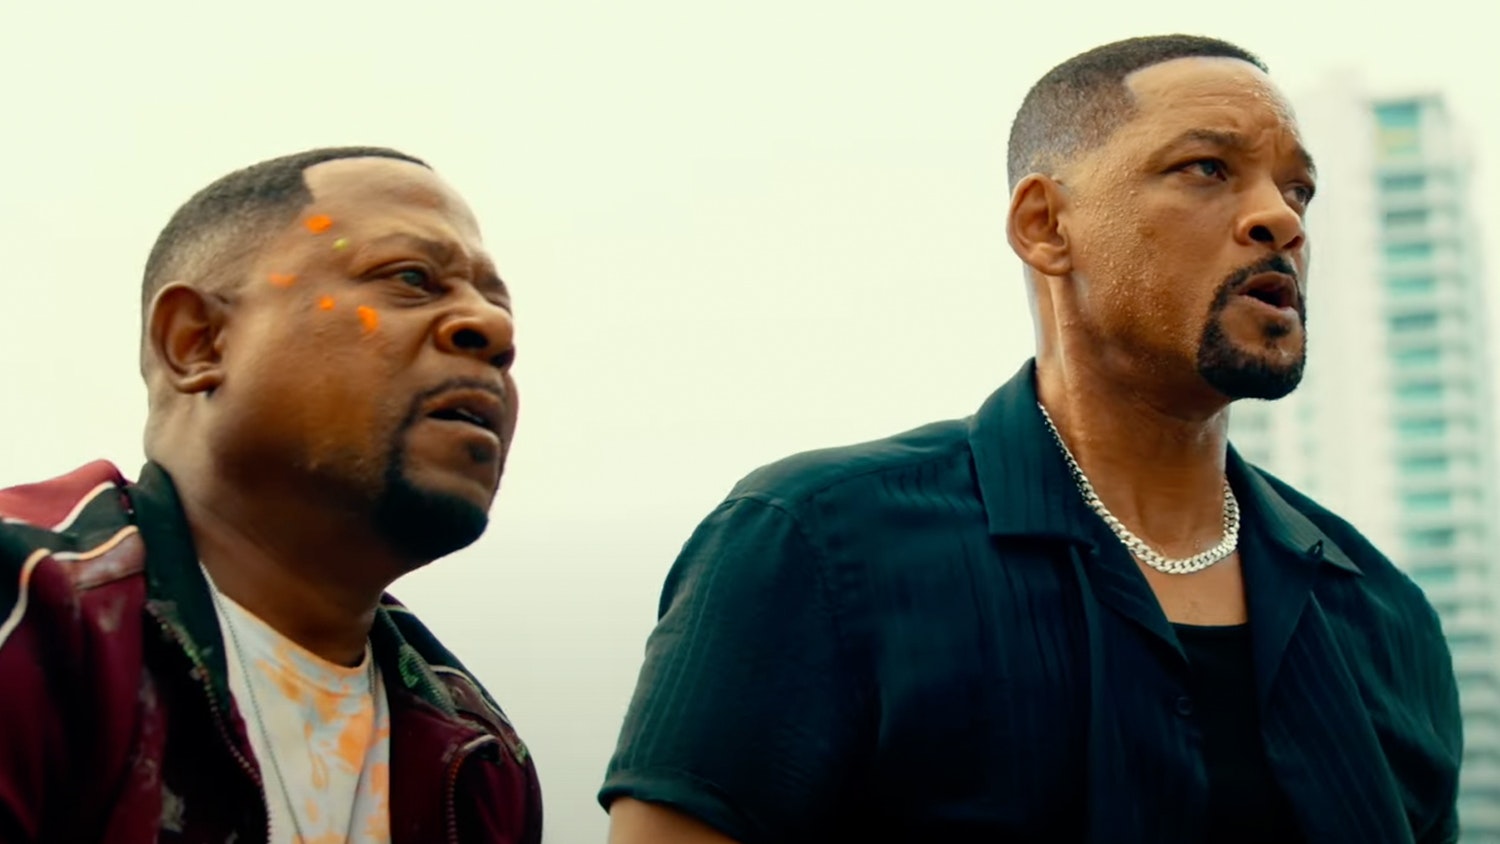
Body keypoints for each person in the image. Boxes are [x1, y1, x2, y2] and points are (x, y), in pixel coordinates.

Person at [600, 35, 1462, 844]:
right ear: (1046, 225)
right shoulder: (814, 542)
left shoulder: (1386, 619)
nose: (1281, 218)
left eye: (1298, 189)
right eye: (1207, 168)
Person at [0, 147, 542, 843]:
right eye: (411, 278)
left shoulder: (478, 763)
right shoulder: (31, 614)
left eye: (497, 304)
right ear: (198, 342)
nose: (494, 332)